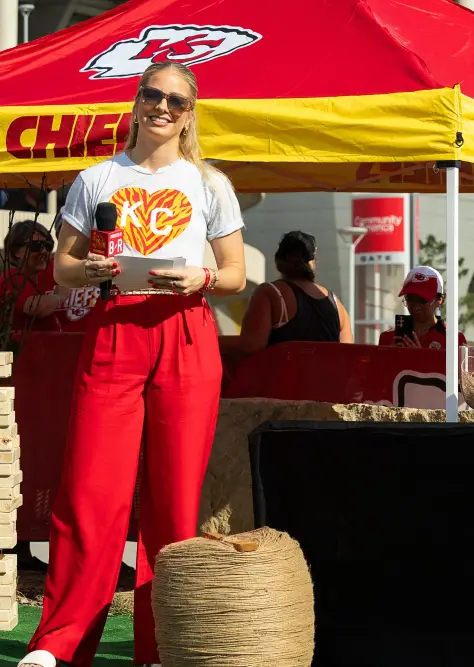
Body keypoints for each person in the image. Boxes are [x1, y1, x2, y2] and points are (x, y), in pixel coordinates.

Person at [21, 62, 246, 667]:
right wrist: (86, 270)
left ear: (189, 112)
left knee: (175, 498)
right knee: (91, 490)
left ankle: (162, 645)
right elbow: (63, 266)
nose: (163, 109)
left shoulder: (209, 182)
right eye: (153, 95)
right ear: (137, 100)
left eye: (176, 101)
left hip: (185, 330)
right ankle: (60, 643)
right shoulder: (96, 177)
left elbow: (235, 273)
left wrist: (201, 275)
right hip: (115, 327)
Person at [236, 230, 353, 354]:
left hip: (283, 372)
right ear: (313, 261)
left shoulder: (270, 294)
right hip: (327, 373)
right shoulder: (336, 305)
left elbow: (251, 346)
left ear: (278, 260)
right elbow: (347, 354)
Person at [378, 265, 467, 349]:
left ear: (439, 300)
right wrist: (389, 355)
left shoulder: (454, 339)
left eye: (422, 300)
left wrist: (420, 357)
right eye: (410, 299)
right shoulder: (388, 337)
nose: (416, 305)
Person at [0, 220, 59, 333]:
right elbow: (37, 307)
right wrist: (61, 296)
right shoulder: (11, 278)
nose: (44, 251)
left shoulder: (48, 273)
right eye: (35, 246)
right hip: (22, 349)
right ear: (16, 251)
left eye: (48, 246)